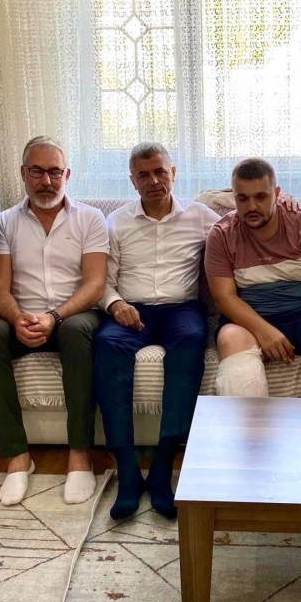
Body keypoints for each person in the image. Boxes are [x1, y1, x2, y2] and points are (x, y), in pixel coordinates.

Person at [0, 136, 108, 506]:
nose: (46, 181)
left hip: (74, 315)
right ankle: (17, 457)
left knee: (77, 332)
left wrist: (54, 316)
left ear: (67, 174)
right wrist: (17, 318)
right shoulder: (4, 222)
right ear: (23, 173)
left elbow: (95, 285)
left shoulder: (91, 219)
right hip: (23, 316)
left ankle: (79, 455)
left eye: (54, 172)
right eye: (37, 171)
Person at [93, 142, 220, 520]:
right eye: (143, 175)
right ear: (132, 181)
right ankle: (128, 469)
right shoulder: (116, 222)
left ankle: (163, 464)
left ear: (173, 173)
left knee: (193, 339)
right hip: (130, 310)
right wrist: (116, 304)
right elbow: (103, 280)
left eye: (160, 171)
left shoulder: (202, 217)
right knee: (106, 345)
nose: (153, 181)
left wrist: (285, 203)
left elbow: (240, 227)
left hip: (181, 310)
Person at [205, 157, 301, 400]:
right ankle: (249, 426)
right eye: (243, 198)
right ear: (234, 197)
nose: (252, 206)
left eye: (261, 197)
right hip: (249, 317)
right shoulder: (222, 234)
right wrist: (264, 331)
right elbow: (224, 297)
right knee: (231, 339)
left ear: (276, 193)